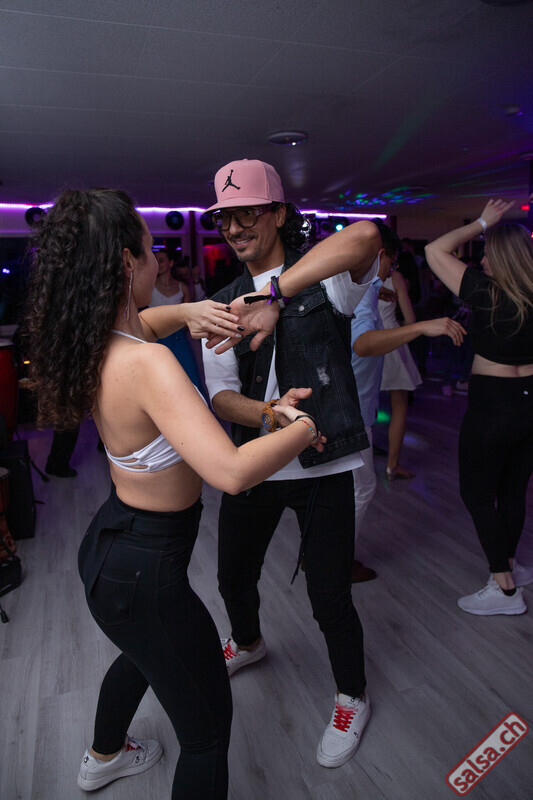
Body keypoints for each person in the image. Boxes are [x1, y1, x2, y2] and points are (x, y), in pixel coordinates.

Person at [23, 188, 325, 800]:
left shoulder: (101, 339)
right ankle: (108, 755)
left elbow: (146, 326)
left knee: (143, 655)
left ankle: (104, 757)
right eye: (150, 248)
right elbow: (231, 472)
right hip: (143, 571)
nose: (159, 258)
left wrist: (187, 312)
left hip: (114, 550)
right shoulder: (149, 365)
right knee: (207, 734)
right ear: (127, 263)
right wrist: (299, 426)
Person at [201, 158, 381, 769]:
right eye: (225, 218)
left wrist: (277, 293)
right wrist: (267, 415)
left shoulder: (324, 282)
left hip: (323, 467)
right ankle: (248, 641)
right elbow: (221, 395)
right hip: (254, 463)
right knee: (232, 577)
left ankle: (352, 695)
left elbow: (366, 236)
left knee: (330, 597)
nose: (235, 228)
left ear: (279, 213)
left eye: (248, 213)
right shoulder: (221, 303)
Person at [425, 199, 533, 615]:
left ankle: (504, 588)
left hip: (493, 404)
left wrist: (484, 222)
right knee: (513, 491)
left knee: (476, 493)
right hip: (529, 403)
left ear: (504, 257)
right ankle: (512, 566)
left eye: (488, 252)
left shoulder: (487, 292)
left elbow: (434, 250)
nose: (483, 260)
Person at [350, 221, 465, 582]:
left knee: (341, 489)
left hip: (348, 405)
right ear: (381, 255)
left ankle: (322, 557)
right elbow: (362, 343)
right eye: (391, 263)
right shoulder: (363, 294)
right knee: (361, 489)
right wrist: (420, 327)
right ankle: (334, 562)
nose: (391, 271)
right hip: (351, 412)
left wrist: (381, 294)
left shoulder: (356, 287)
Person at [377, 232, 422, 480]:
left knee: (363, 404)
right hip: (392, 339)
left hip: (364, 338)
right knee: (399, 405)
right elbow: (411, 320)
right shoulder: (395, 277)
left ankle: (356, 465)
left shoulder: (357, 275)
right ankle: (392, 466)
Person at [150, 248, 204, 392]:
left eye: (161, 260)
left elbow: (189, 318)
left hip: (179, 339)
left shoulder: (182, 287)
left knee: (189, 378)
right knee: (159, 381)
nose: (158, 263)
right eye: (155, 260)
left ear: (171, 262)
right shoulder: (149, 286)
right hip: (156, 340)